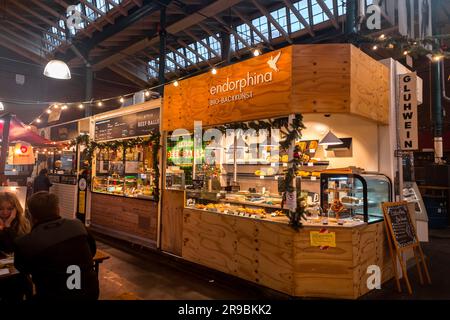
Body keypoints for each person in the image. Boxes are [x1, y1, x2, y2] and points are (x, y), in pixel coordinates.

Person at [14, 191, 99, 300]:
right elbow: (92, 251)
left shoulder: (24, 242)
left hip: (52, 296)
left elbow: (23, 269)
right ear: (58, 209)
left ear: (30, 214)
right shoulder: (78, 225)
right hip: (90, 292)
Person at [0, 192, 32, 301]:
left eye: (9, 208)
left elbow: (15, 247)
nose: (5, 212)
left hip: (17, 276)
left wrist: (8, 226)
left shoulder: (23, 223)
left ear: (15, 209)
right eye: (1, 208)